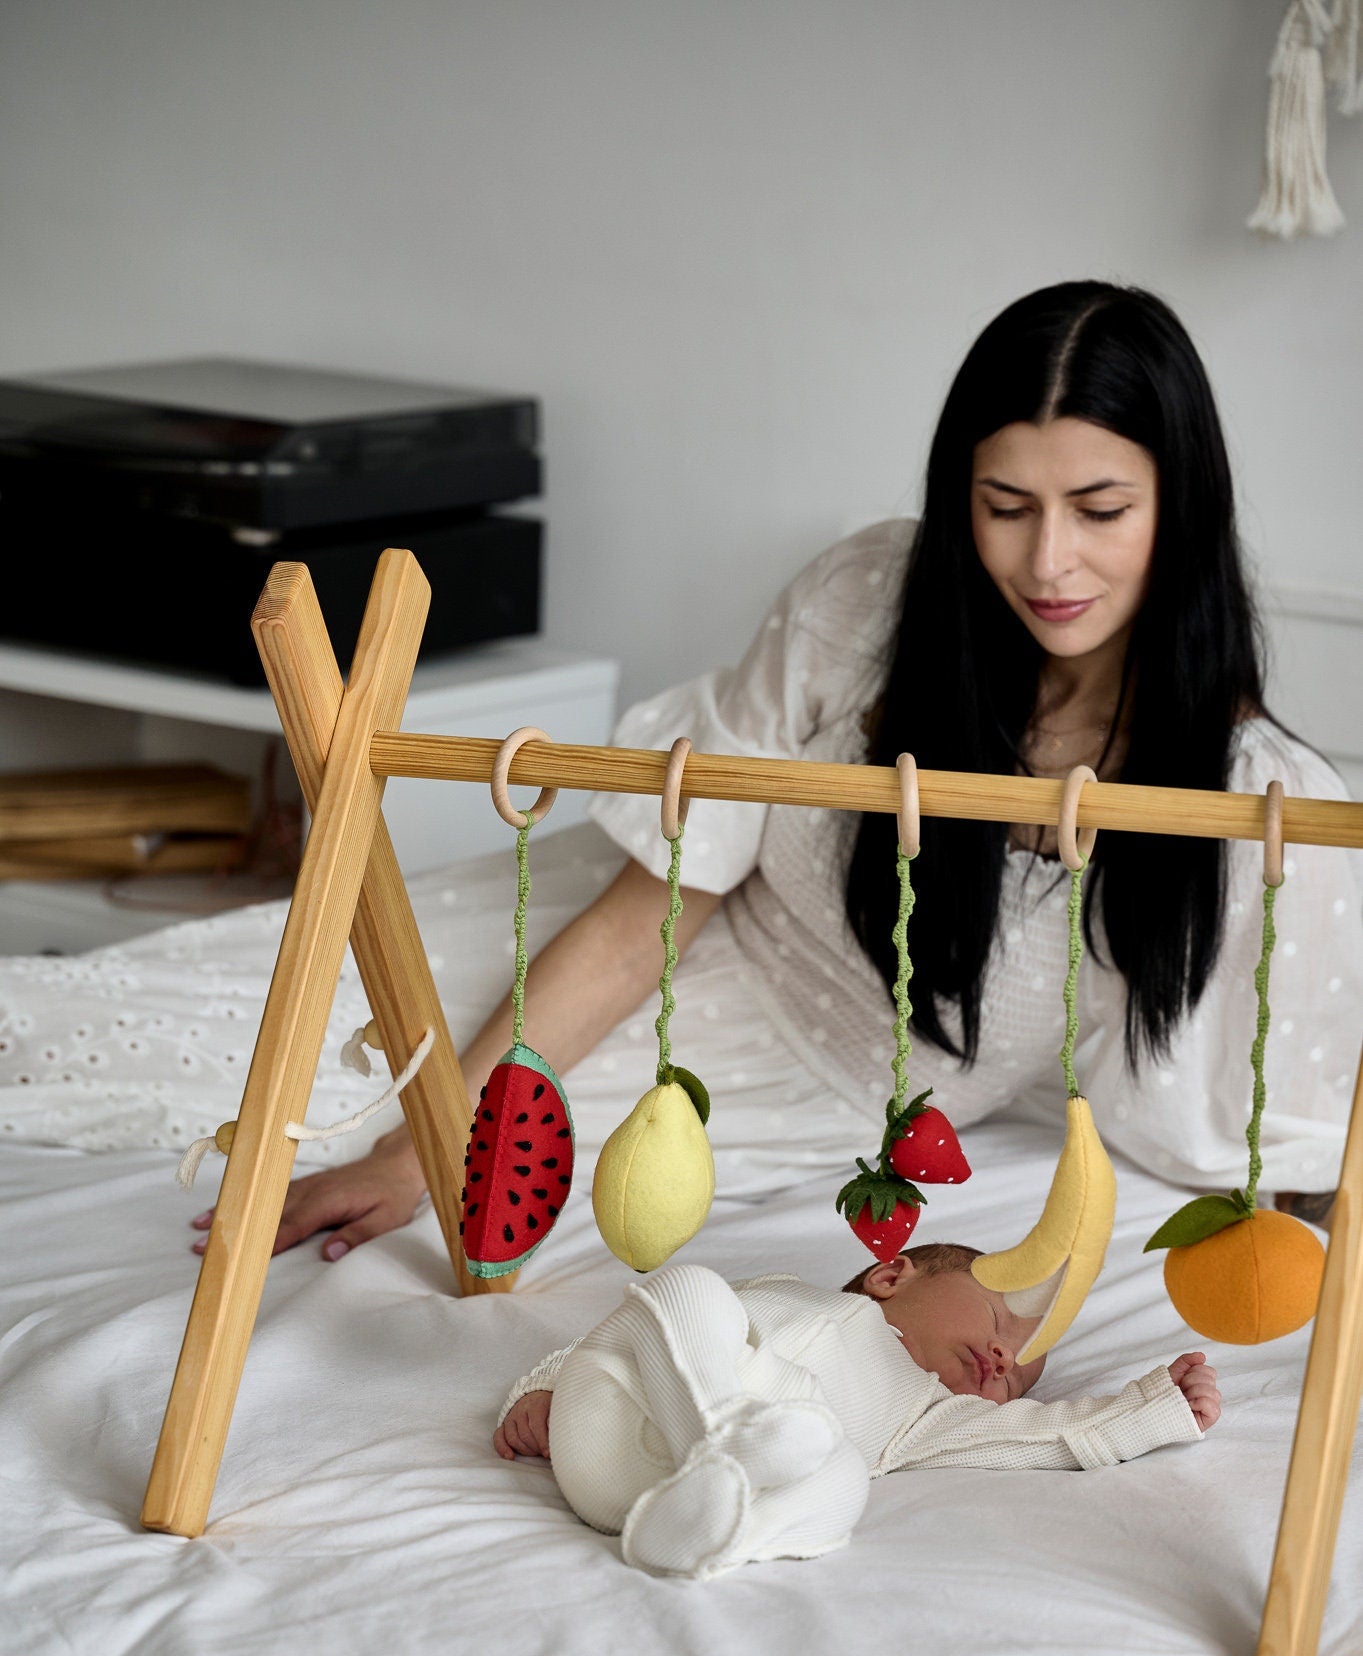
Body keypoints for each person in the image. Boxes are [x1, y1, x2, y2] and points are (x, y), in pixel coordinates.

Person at [191, 278, 1363, 1265]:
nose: (1047, 560)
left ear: (1181, 506)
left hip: (786, 1107)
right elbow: (648, 909)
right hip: (609, 965)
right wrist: (426, 1138)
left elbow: (1254, 1146)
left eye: (1099, 510)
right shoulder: (867, 601)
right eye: (1005, 507)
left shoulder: (1257, 809)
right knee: (225, 1026)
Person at [490, 1246, 1220, 1581]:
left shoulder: (924, 1415)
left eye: (1016, 1374)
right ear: (889, 1273)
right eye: (1000, 1320)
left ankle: (707, 1537)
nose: (1003, 1357)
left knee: (843, 1480)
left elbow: (1048, 1435)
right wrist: (545, 1388)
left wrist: (1150, 1411)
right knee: (689, 1289)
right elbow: (632, 1327)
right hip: (612, 1429)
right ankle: (722, 1432)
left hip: (648, 1497)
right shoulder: (788, 1291)